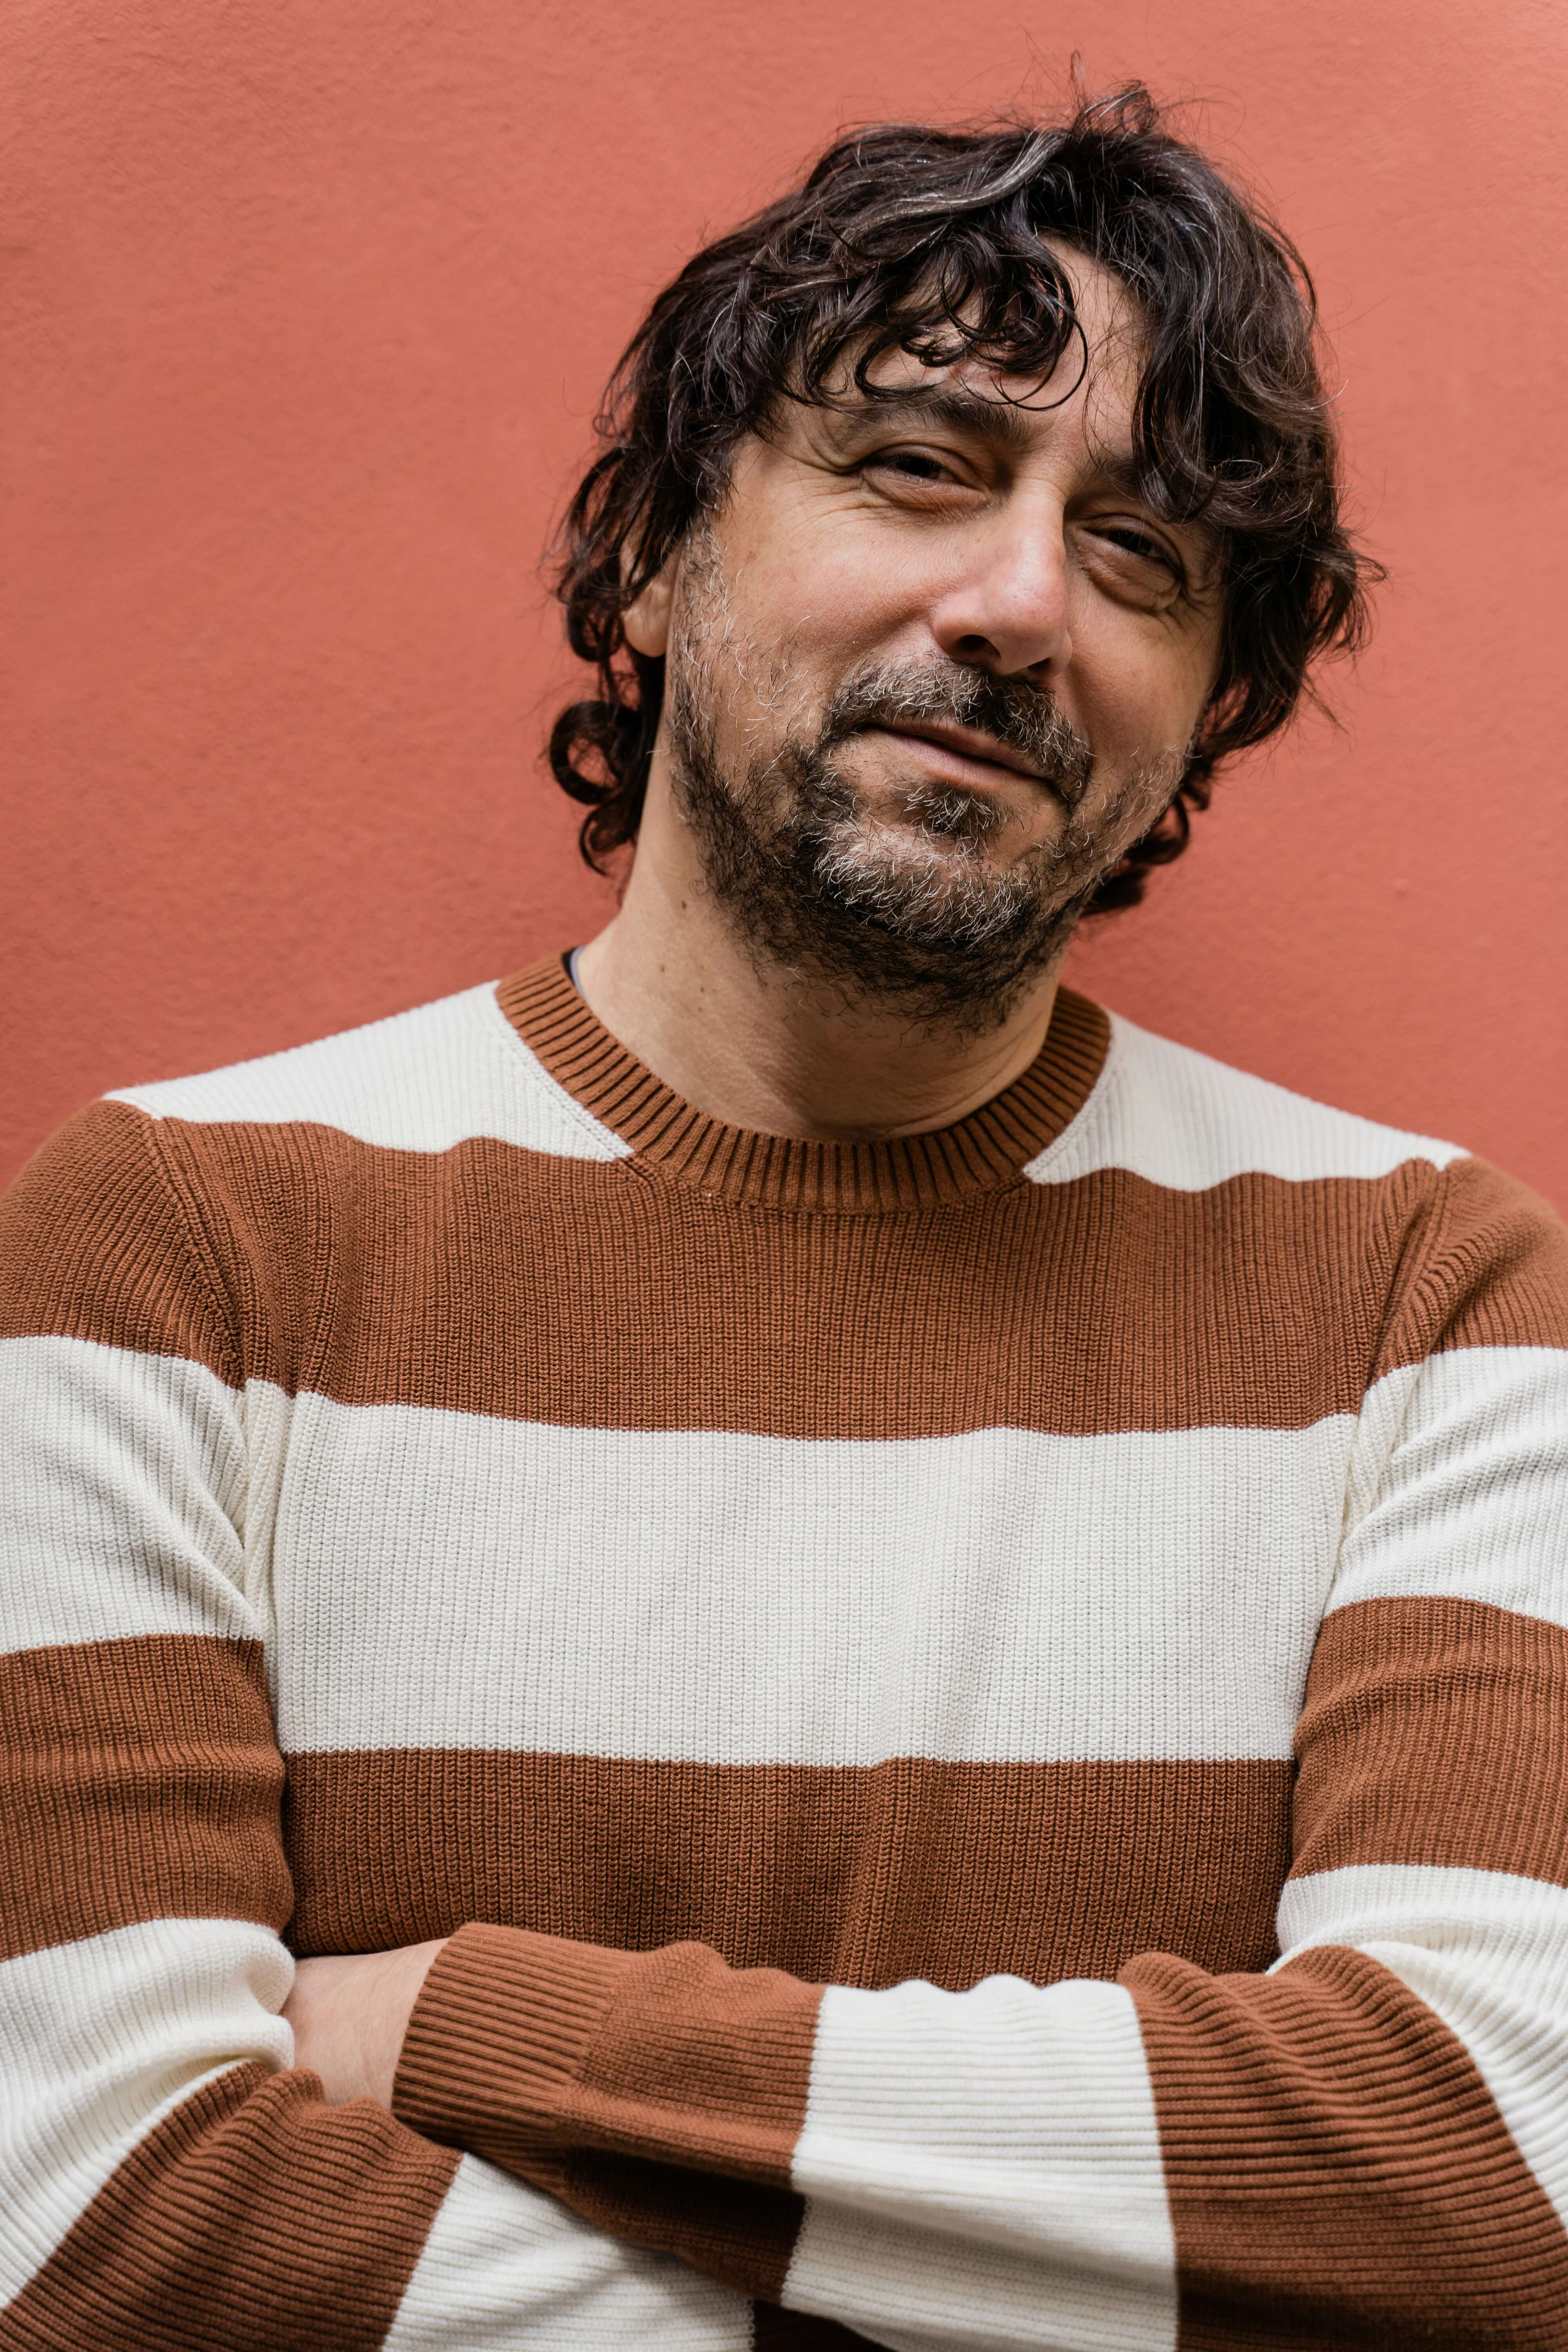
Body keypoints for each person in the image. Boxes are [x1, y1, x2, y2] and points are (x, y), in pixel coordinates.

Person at [3, 83, 1566, 2352]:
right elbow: (86, 2215)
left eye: (1142, 555)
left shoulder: (1430, 1296)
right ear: (658, 550)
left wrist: (462, 2024)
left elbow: (1490, 2168)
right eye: (918, 466)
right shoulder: (179, 1245)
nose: (1019, 604)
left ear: (1205, 712)